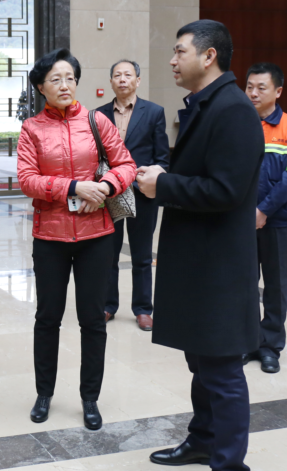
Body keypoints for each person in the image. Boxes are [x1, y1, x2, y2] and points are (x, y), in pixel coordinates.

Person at [136, 20, 264, 470]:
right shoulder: (207, 104)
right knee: (202, 363)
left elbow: (226, 190)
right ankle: (204, 440)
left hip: (219, 269)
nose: (172, 60)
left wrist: (164, 184)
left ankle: (229, 463)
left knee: (222, 372)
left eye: (180, 51)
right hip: (200, 264)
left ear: (209, 56)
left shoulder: (233, 109)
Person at [17, 48, 137, 430]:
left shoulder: (97, 122)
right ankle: (44, 393)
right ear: (41, 87)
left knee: (93, 321)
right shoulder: (32, 129)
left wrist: (104, 187)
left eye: (70, 77)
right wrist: (73, 187)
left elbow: (126, 165)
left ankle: (90, 398)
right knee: (47, 318)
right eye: (56, 79)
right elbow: (27, 180)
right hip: (50, 237)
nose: (65, 85)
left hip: (96, 236)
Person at [97, 59, 170, 331]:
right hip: (109, 194)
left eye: (128, 75)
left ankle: (143, 309)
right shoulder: (98, 115)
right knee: (108, 254)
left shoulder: (154, 112)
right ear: (111, 81)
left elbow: (162, 158)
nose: (122, 79)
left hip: (142, 193)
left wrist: (151, 180)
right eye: (117, 75)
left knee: (142, 255)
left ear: (138, 80)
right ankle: (108, 305)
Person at [244, 62, 287, 374]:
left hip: (278, 221)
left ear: (278, 91)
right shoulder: (240, 123)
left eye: (261, 87)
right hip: (239, 221)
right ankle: (246, 341)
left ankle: (270, 346)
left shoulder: (285, 126)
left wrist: (263, 210)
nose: (254, 93)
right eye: (249, 87)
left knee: (276, 286)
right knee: (243, 284)